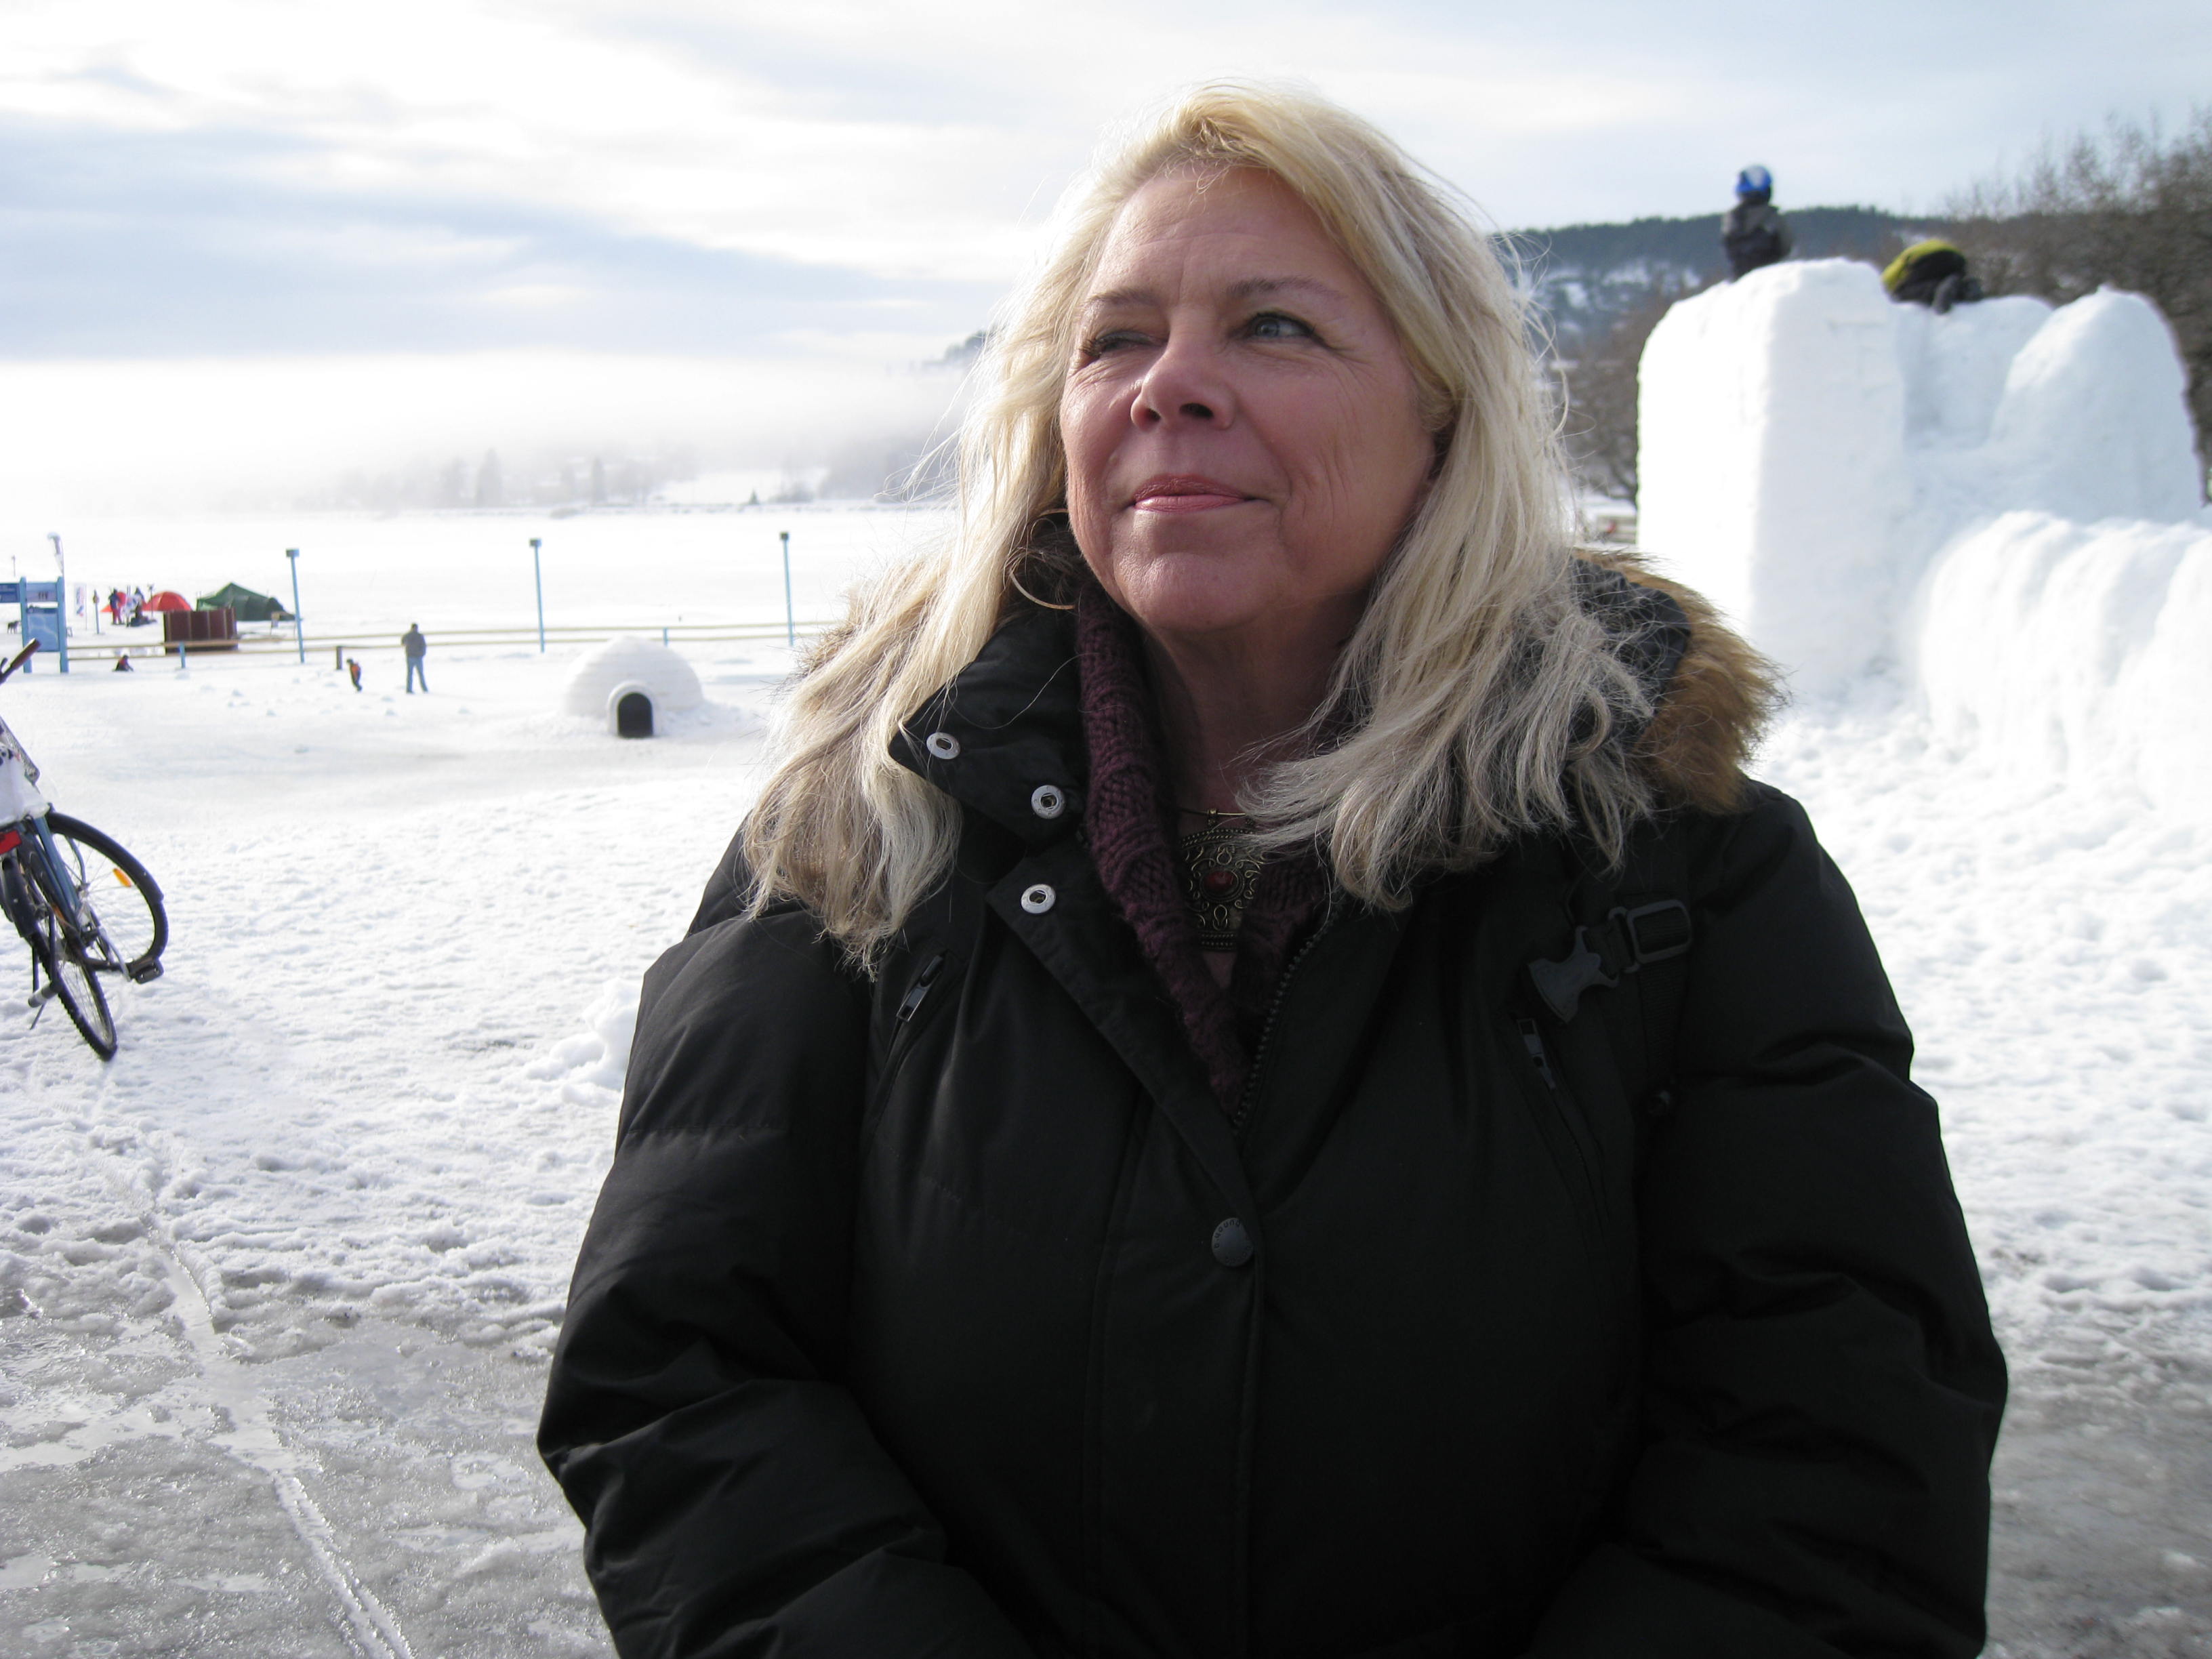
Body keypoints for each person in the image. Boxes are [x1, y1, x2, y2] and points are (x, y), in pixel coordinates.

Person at [540, 83, 2005, 1658]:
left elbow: (1833, 1462)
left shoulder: (1680, 866)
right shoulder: (862, 826)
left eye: (1273, 327)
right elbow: (682, 1374)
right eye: (1115, 339)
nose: (1170, 384)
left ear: (1441, 413)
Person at [1721, 163, 1793, 279]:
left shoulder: (1732, 218)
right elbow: (1786, 246)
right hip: (1771, 277)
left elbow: (1728, 249)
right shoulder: (1772, 217)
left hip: (1741, 279)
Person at [1884, 239, 1986, 314]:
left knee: (1903, 293)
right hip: (1957, 260)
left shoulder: (1904, 258)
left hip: (1930, 258)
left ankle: (1936, 288)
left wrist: (1884, 293)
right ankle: (1965, 288)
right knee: (1945, 288)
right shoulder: (1926, 247)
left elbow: (1886, 280)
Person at [401, 623, 427, 693]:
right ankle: (424, 689)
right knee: (421, 674)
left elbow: (402, 643)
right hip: (418, 657)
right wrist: (422, 654)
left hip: (410, 657)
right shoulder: (420, 636)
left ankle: (409, 689)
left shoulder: (407, 635)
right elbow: (424, 646)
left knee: (410, 674)